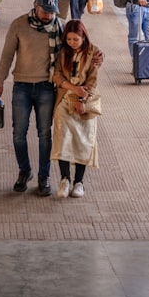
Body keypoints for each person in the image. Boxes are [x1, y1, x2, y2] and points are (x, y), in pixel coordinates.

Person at [0, 0, 65, 197]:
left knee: (44, 134)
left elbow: (77, 45)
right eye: (45, 11)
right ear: (35, 6)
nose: (48, 16)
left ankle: (44, 176)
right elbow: (7, 55)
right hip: (22, 86)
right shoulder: (19, 25)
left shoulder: (58, 27)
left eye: (51, 13)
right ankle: (25, 171)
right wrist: (0, 82)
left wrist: (96, 56)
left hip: (46, 87)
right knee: (18, 134)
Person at [51, 20, 102, 199]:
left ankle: (79, 182)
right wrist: (73, 89)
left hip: (85, 103)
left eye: (76, 39)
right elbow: (56, 75)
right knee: (62, 137)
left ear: (83, 37)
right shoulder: (63, 53)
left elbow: (92, 80)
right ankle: (64, 179)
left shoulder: (93, 53)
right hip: (65, 99)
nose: (72, 42)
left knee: (83, 140)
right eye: (69, 39)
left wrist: (82, 98)